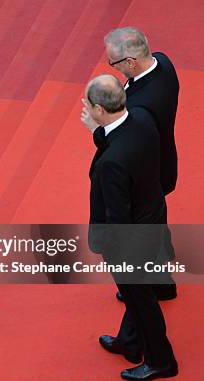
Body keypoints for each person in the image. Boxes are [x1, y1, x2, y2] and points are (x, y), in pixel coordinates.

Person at [84, 75, 178, 380]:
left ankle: (161, 361)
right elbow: (119, 140)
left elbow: (117, 217)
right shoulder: (140, 118)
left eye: (88, 105)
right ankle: (130, 341)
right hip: (151, 219)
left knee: (140, 302)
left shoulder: (112, 162)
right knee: (138, 296)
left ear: (99, 109)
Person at [82, 26, 179, 302]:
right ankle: (163, 282)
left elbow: (125, 145)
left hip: (144, 174)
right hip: (162, 166)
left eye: (113, 62)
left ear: (130, 63)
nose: (112, 68)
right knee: (156, 219)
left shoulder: (140, 109)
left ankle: (150, 284)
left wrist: (96, 130)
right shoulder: (164, 63)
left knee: (142, 230)